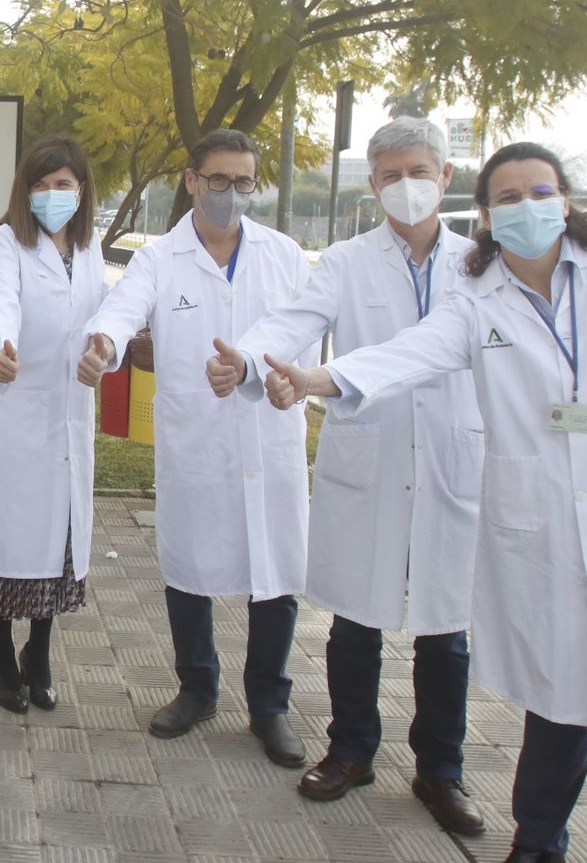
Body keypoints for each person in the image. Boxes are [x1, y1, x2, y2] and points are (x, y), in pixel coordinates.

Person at [262, 143, 587, 863]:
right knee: (557, 707)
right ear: (485, 214)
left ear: (565, 200)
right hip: (546, 529)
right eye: (506, 198)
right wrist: (315, 379)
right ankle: (536, 845)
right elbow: (404, 354)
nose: (526, 207)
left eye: (539, 191)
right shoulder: (479, 300)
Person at [209, 117, 485, 832]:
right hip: (372, 449)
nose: (406, 186)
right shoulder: (346, 261)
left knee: (445, 627)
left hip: (452, 455)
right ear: (373, 183)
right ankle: (352, 750)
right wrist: (250, 361)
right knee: (356, 620)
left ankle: (441, 771)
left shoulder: (482, 263)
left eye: (419, 171)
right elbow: (291, 321)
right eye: (390, 174)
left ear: (446, 177)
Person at [77, 128, 313, 768]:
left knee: (275, 572)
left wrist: (260, 375)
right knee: (188, 567)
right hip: (197, 440)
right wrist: (104, 341)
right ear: (190, 180)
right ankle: (197, 687)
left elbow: (303, 338)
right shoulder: (162, 258)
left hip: (269, 435)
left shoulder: (285, 254)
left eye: (243, 183)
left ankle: (269, 706)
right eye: (217, 180)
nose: (230, 194)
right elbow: (124, 308)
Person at [0, 136, 107, 714]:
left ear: (81, 190)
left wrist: (106, 350)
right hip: (17, 406)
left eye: (64, 184)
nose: (54, 195)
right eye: (43, 184)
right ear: (27, 190)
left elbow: (103, 315)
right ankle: (3, 653)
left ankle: (40, 652)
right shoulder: (7, 241)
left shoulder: (91, 244)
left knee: (61, 543)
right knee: (12, 538)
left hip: (70, 412)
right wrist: (2, 345)